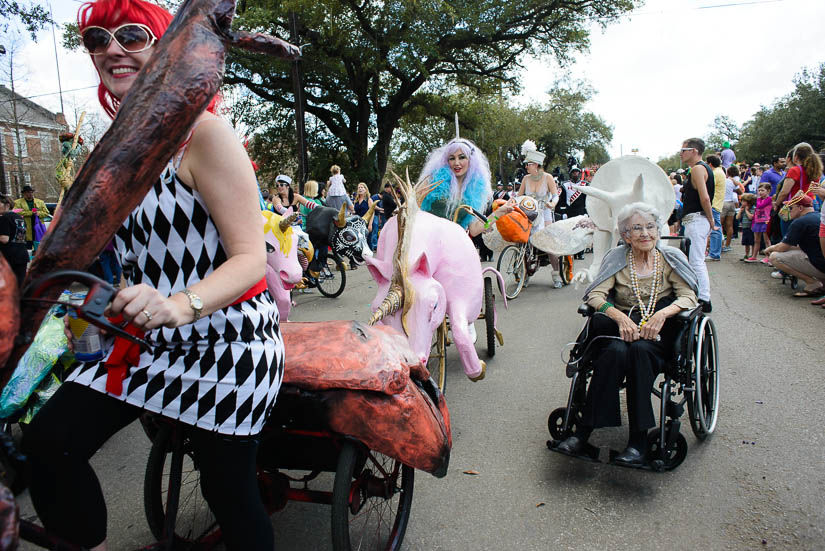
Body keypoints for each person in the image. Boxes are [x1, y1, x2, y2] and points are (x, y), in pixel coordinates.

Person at [22, 2, 283, 550]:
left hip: (229, 342)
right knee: (48, 439)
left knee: (226, 486)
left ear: (168, 48)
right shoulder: (111, 148)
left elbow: (250, 258)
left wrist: (178, 305)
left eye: (132, 34)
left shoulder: (204, 135)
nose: (112, 48)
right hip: (146, 343)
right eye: (97, 39)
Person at [555, 202, 698, 466]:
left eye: (650, 227)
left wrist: (662, 314)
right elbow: (596, 295)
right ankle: (583, 434)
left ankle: (638, 442)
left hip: (655, 336)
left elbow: (689, 296)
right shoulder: (617, 259)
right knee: (614, 352)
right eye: (636, 228)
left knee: (640, 353)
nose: (645, 233)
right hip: (621, 331)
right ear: (625, 236)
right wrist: (619, 316)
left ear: (658, 230)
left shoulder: (670, 259)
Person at [418, 136, 512, 236]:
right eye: (452, 158)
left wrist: (498, 213)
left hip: (453, 243)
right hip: (427, 239)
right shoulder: (432, 180)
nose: (456, 163)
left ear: (471, 161)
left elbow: (474, 230)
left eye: (462, 157)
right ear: (447, 161)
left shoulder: (475, 191)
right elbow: (411, 208)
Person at [515, 140, 563, 286]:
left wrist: (552, 203)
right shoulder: (525, 179)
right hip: (529, 214)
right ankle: (524, 272)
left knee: (548, 242)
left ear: (536, 165)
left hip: (545, 212)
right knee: (520, 240)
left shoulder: (547, 178)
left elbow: (555, 195)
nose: (525, 166)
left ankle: (556, 275)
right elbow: (518, 196)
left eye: (528, 164)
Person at [764, 192, 825, 297]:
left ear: (800, 208)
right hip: (821, 261)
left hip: (820, 266)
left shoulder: (800, 222)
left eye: (791, 208)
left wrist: (770, 248)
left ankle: (812, 283)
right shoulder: (818, 216)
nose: (789, 210)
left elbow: (783, 247)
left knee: (775, 257)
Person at [679, 138, 715, 311]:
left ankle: (704, 298)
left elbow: (705, 197)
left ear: (694, 151)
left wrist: (711, 219)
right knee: (694, 259)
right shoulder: (699, 169)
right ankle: (698, 295)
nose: (681, 153)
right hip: (695, 219)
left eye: (684, 150)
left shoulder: (698, 169)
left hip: (697, 219)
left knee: (696, 261)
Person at [773, 143, 823, 238]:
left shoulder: (795, 170)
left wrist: (777, 203)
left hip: (795, 207)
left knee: (789, 237)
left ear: (795, 157)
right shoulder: (815, 170)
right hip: (811, 205)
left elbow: (785, 191)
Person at [0, 195, 28, 287]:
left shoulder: (4, 218)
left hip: (9, 257)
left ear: (7, 205)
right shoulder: (20, 218)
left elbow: (4, 239)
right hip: (22, 254)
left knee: (9, 285)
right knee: (20, 284)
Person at [13, 185, 50, 250]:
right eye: (28, 192)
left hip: (38, 226)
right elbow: (16, 212)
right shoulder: (17, 202)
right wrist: (30, 213)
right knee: (28, 246)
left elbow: (46, 212)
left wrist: (39, 213)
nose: (30, 194)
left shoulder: (40, 202)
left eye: (31, 192)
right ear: (24, 193)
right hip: (25, 227)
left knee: (39, 245)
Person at [705, 155, 726, 261]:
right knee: (715, 229)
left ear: (710, 164)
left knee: (715, 229)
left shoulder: (715, 173)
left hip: (714, 204)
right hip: (717, 204)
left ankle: (714, 253)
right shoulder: (720, 172)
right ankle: (714, 252)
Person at [746, 183, 773, 263]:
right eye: (759, 190)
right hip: (757, 221)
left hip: (765, 221)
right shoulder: (759, 200)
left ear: (768, 191)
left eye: (762, 190)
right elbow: (756, 212)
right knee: (756, 240)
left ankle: (769, 256)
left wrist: (757, 200)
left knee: (766, 240)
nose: (760, 192)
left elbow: (760, 206)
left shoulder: (769, 199)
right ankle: (754, 256)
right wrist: (753, 223)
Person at [721, 165, 741, 252]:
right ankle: (727, 245)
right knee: (729, 225)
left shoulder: (719, 180)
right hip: (731, 203)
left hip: (722, 203)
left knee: (719, 225)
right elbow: (739, 191)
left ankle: (720, 244)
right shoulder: (731, 181)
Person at [737, 193, 756, 261]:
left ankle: (753, 254)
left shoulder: (753, 208)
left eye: (744, 201)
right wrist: (740, 211)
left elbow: (751, 217)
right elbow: (737, 217)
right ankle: (747, 254)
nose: (742, 202)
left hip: (751, 227)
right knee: (746, 242)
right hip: (745, 227)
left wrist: (746, 210)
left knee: (752, 242)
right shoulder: (742, 209)